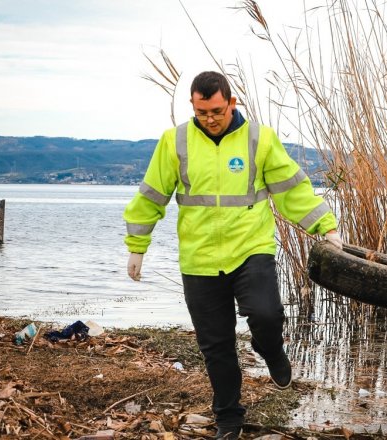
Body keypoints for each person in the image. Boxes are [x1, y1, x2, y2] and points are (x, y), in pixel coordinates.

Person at [123, 71, 343, 440]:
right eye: (202, 111)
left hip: (250, 248)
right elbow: (150, 196)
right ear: (193, 106)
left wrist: (326, 226)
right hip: (199, 257)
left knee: (266, 313)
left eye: (217, 111)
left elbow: (292, 190)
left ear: (232, 103)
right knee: (217, 345)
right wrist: (136, 247)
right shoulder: (175, 142)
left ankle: (270, 349)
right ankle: (229, 417)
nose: (210, 118)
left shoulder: (260, 139)